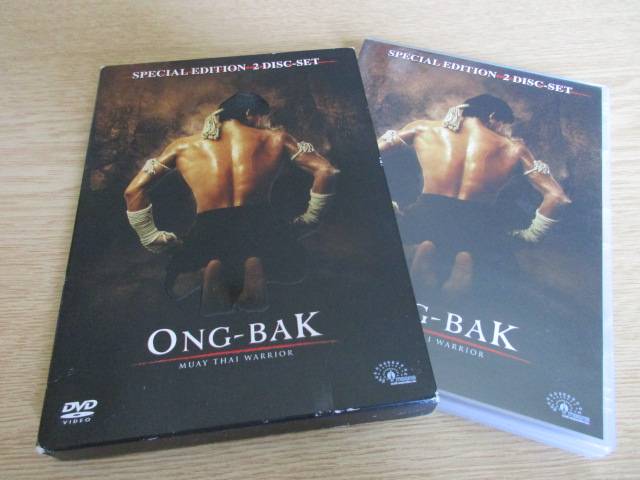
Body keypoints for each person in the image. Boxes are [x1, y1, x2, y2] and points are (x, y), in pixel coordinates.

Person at [124, 92, 339, 315]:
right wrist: (311, 218)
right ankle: (257, 265)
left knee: (175, 287)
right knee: (294, 269)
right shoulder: (277, 138)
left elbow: (133, 191)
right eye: (263, 118)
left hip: (209, 229)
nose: (264, 124)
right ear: (249, 113)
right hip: (261, 226)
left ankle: (205, 271)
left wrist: (151, 237)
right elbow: (326, 171)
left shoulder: (182, 146)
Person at [378, 94, 571, 298]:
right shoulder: (514, 148)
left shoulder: (423, 128)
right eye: (504, 126)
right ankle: (465, 269)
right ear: (492, 116)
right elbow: (558, 197)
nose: (504, 132)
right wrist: (532, 235)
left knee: (400, 224)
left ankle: (421, 257)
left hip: (425, 217)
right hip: (478, 227)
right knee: (497, 248)